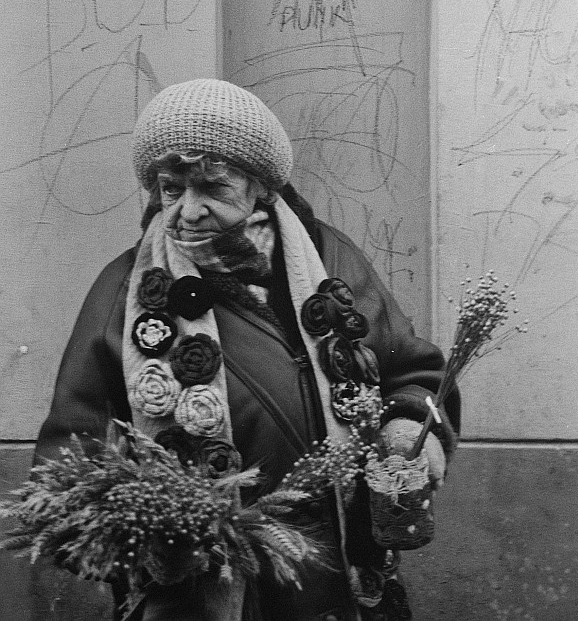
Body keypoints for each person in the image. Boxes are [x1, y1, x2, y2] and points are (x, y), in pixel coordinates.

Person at [35, 78, 460, 621]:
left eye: (213, 187)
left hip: (336, 577)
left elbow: (412, 373)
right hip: (202, 593)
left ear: (260, 185)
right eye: (171, 189)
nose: (188, 211)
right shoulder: (124, 292)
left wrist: (405, 432)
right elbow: (67, 464)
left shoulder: (329, 260)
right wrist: (140, 545)